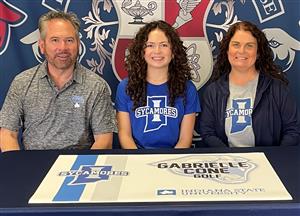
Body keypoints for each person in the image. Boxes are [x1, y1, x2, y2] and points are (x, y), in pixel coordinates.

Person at [0, 11, 116, 151]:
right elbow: (8, 134)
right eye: (55, 40)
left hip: (77, 166)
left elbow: (104, 140)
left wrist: (79, 168)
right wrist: (17, 165)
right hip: (33, 165)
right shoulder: (22, 82)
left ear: (78, 44)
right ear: (42, 46)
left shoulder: (96, 86)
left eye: (69, 40)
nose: (63, 48)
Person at [200, 21, 300, 147]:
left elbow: (292, 130)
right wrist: (228, 157)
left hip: (269, 162)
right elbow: (208, 132)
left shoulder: (276, 88)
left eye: (249, 46)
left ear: (258, 53)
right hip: (227, 161)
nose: (242, 51)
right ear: (227, 50)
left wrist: (274, 157)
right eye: (236, 45)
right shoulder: (213, 91)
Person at [115, 20, 200, 149]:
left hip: (173, 159)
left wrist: (169, 163)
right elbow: (125, 135)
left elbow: (185, 139)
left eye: (164, 45)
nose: (157, 51)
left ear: (173, 51)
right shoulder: (125, 87)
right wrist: (139, 161)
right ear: (141, 51)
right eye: (150, 45)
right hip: (137, 158)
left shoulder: (187, 88)